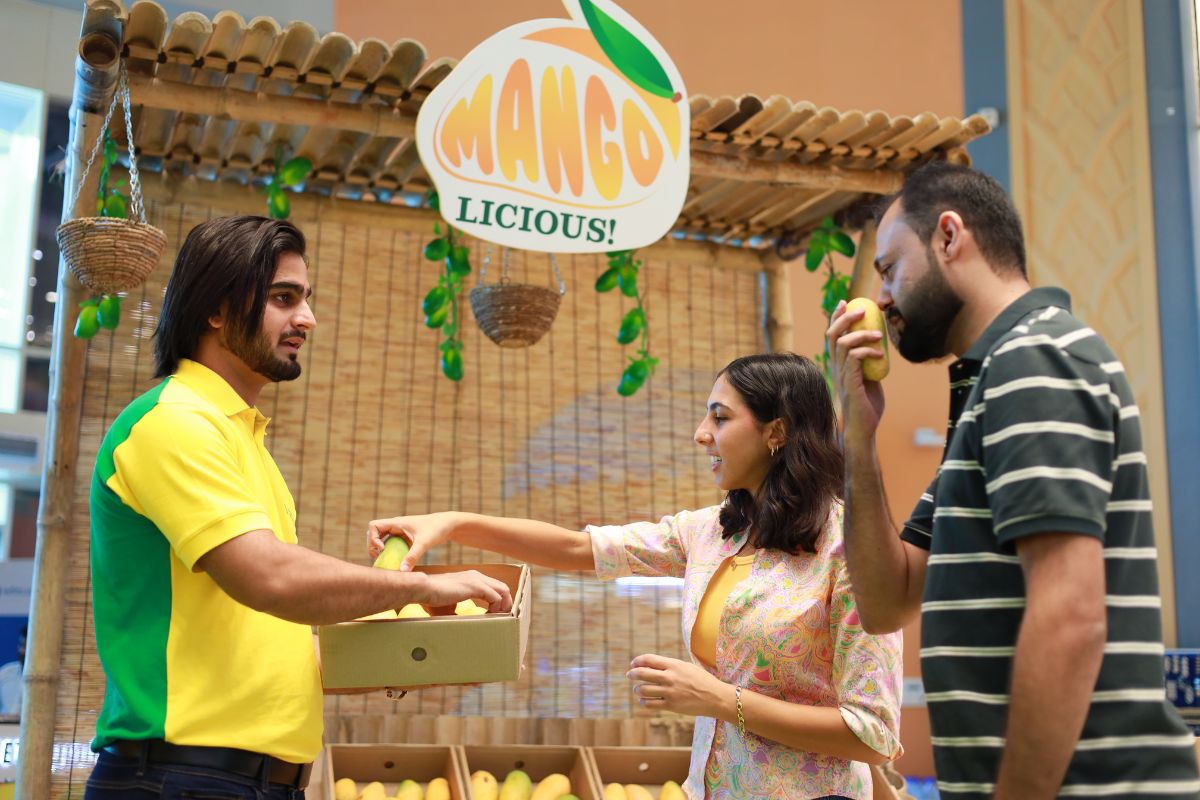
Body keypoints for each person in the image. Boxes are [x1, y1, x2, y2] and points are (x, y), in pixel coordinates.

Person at [84, 216, 513, 800]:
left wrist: (411, 648)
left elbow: (266, 630)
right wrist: (424, 590)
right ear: (215, 308)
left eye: (306, 300)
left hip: (252, 781)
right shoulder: (174, 422)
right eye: (284, 299)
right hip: (182, 777)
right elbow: (269, 577)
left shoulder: (243, 438)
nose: (307, 319)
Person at [369, 353, 904, 800]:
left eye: (719, 418)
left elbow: (873, 734)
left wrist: (720, 700)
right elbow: (579, 547)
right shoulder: (714, 532)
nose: (701, 434)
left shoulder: (851, 550)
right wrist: (452, 523)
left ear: (776, 432)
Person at [827, 162, 1200, 799]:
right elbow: (886, 601)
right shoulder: (990, 386)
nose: (882, 298)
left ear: (949, 237)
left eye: (889, 268)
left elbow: (1070, 616)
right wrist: (858, 440)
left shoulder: (1035, 359)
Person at [0, 626, 24, 716]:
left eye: (27, 646)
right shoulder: (4, 674)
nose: (22, 650)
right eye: (21, 645)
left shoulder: (48, 681)